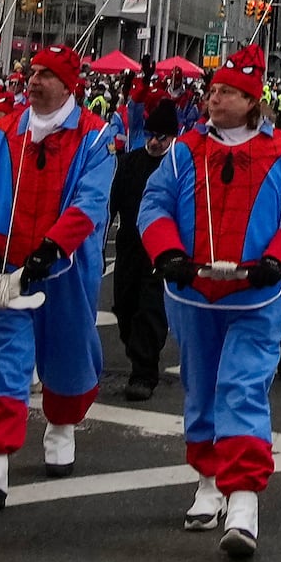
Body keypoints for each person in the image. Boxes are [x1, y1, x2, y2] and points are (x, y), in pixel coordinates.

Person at [137, 46, 281, 557]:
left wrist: (278, 261)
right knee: (200, 388)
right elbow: (155, 204)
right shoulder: (181, 150)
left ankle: (242, 500)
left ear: (251, 99)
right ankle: (208, 481)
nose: (214, 99)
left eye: (227, 92)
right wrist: (167, 252)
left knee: (242, 387)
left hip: (257, 297)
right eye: (213, 91)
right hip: (194, 295)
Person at [0, 47, 117, 507]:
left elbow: (90, 201)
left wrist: (55, 246)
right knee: (2, 355)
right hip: (6, 268)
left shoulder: (96, 137)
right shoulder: (0, 133)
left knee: (68, 352)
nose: (34, 80)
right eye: (33, 71)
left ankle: (61, 427)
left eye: (46, 74)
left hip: (64, 269)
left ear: (69, 85)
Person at [107, 85, 177, 397]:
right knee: (124, 305)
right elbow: (110, 203)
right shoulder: (128, 163)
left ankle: (144, 374)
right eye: (150, 134)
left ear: (172, 137)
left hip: (160, 249)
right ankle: (138, 355)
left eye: (161, 136)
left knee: (151, 309)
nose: (154, 141)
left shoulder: (177, 165)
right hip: (128, 246)